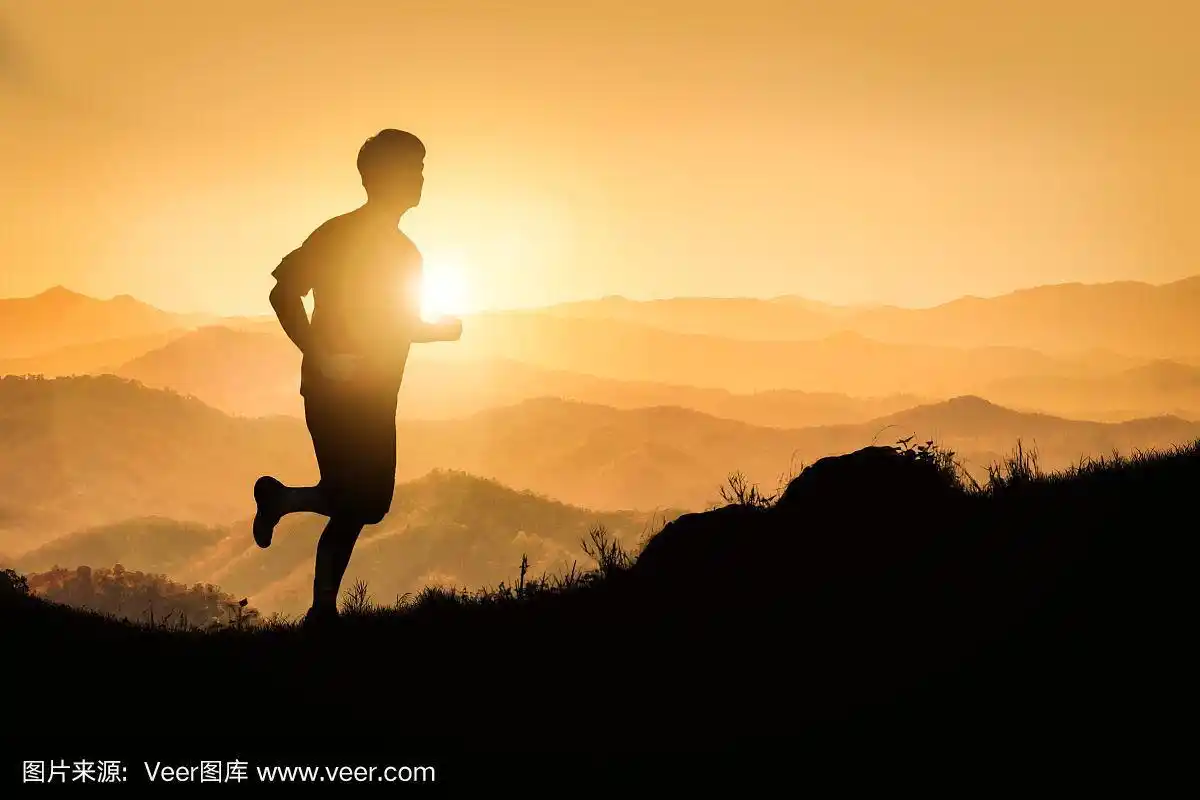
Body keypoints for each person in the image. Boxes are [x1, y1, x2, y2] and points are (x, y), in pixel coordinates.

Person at [252, 129, 461, 627]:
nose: (422, 179)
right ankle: (323, 611)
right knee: (357, 499)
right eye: (414, 169)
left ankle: (282, 502)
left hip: (376, 395)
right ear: (383, 177)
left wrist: (437, 332)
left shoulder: (406, 253)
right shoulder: (339, 234)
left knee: (364, 502)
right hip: (336, 390)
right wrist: (320, 354)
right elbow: (283, 294)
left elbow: (392, 325)